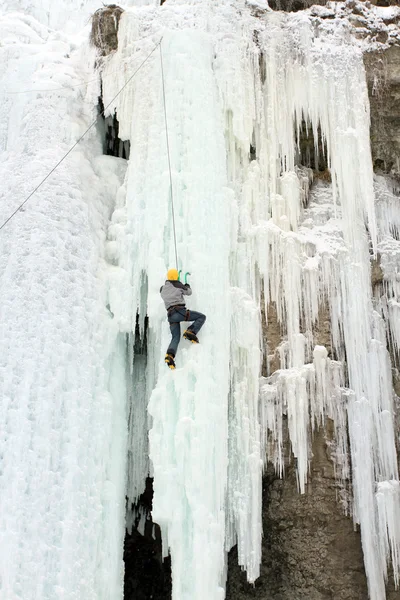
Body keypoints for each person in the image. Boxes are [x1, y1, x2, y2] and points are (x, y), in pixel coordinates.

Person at [160, 268, 206, 369]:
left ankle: (170, 356)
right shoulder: (178, 285)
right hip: (180, 312)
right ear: (176, 277)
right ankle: (191, 331)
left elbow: (166, 290)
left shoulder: (162, 289)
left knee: (175, 338)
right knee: (201, 317)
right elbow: (188, 292)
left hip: (171, 316)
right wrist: (186, 285)